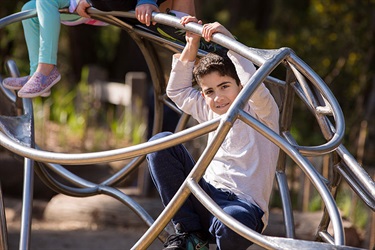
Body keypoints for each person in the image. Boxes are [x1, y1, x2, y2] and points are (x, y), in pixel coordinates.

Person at [146, 16, 280, 250]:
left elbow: (253, 82)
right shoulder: (210, 111)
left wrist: (230, 42)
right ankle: (191, 233)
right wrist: (191, 47)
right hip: (205, 196)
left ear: (239, 84)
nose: (217, 98)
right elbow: (177, 91)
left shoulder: (263, 112)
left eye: (224, 86)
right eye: (209, 91)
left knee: (233, 225)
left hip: (242, 207)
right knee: (160, 144)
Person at [2, 0, 195, 98]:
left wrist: (148, 1)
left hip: (104, 4)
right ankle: (37, 70)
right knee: (29, 8)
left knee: (44, 1)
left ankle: (47, 69)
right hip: (84, 5)